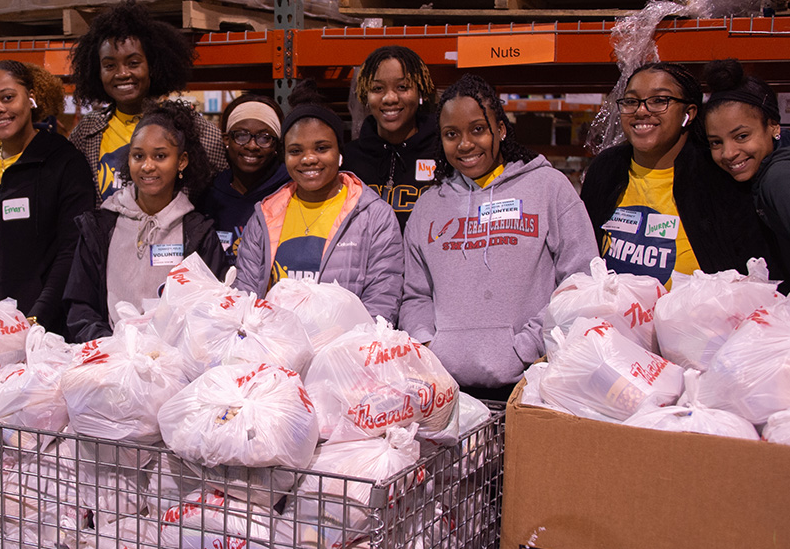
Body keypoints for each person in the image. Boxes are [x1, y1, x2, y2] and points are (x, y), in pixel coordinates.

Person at [400, 74, 597, 400]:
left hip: (532, 382)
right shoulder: (428, 206)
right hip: (448, 388)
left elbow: (580, 280)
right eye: (452, 134)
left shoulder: (549, 187)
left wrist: (529, 345)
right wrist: (429, 346)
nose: (465, 144)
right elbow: (415, 295)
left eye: (478, 129)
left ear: (501, 129)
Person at [580, 62, 773, 287]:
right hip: (612, 319)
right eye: (631, 101)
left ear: (688, 113)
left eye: (659, 100)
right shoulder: (606, 168)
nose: (641, 110)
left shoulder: (717, 173)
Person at [0, 60, 95, 337]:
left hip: (49, 329)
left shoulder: (64, 162)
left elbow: (71, 249)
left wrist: (38, 317)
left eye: (7, 97)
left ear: (31, 98)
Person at [232, 87, 403, 321]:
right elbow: (245, 294)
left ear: (340, 152)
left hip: (345, 351)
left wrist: (347, 350)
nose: (309, 158)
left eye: (322, 148)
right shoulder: (265, 214)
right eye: (295, 151)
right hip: (275, 349)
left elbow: (383, 297)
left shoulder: (374, 215)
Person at [65, 100, 226, 343]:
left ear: (181, 161)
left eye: (160, 156)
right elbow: (80, 308)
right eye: (138, 156)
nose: (147, 166)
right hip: (112, 359)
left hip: (175, 365)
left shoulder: (198, 233)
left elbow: (212, 310)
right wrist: (113, 347)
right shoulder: (99, 227)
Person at [67, 0, 226, 205]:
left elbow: (222, 196)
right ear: (97, 72)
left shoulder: (195, 131)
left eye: (133, 63)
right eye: (109, 65)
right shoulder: (85, 134)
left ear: (153, 66)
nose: (122, 73)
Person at [702, 58, 790, 284]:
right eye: (716, 142)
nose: (728, 153)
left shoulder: (779, 177)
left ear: (773, 126)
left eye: (742, 136)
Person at [342, 45, 439, 231]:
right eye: (378, 88)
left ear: (421, 92)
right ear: (365, 95)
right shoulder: (349, 160)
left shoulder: (443, 154)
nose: (390, 98)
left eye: (402, 87)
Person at [200, 94, 289, 265]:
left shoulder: (290, 190)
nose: (252, 145)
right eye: (241, 135)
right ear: (226, 140)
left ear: (276, 145)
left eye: (264, 138)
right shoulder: (210, 194)